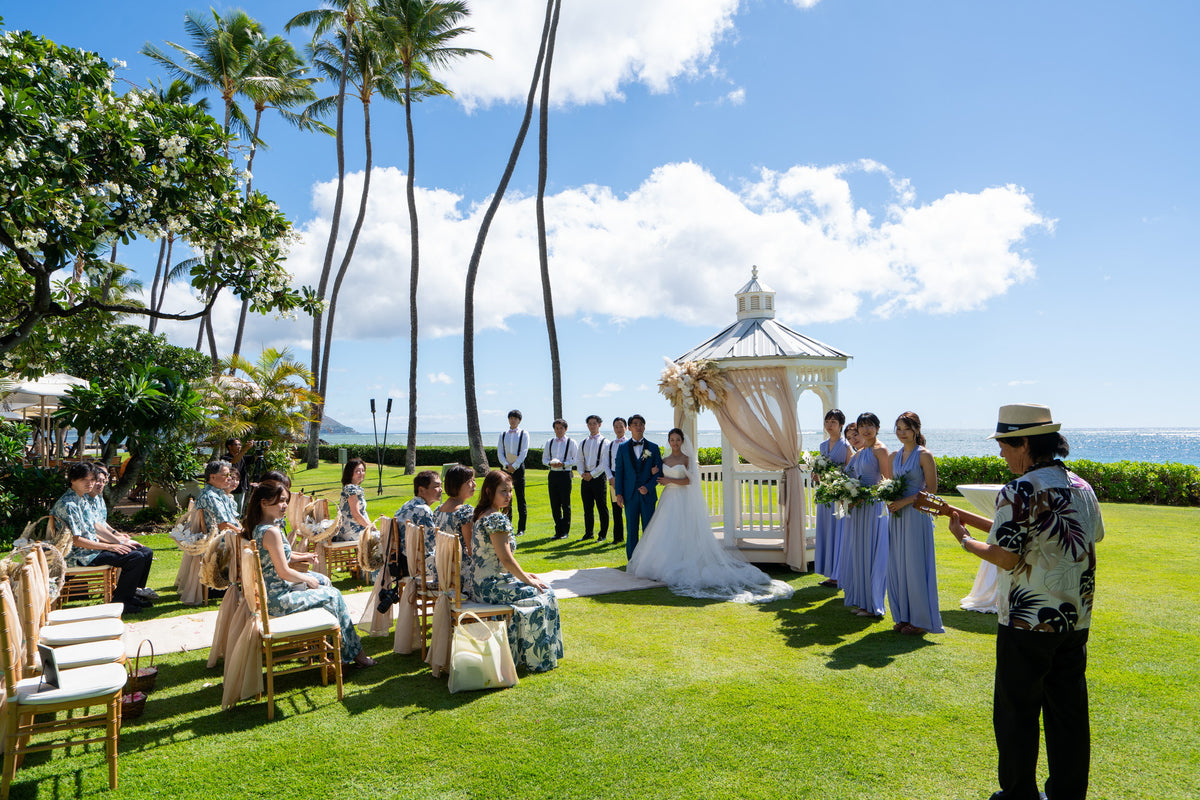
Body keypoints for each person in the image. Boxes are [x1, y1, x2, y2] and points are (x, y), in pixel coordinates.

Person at [949, 404, 1103, 800]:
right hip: (1075, 618)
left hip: (1026, 620)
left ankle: (1018, 794)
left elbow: (1006, 555)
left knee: (1016, 712)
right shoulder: (1082, 487)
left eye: (1004, 444)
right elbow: (1091, 536)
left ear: (1025, 444)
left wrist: (964, 541)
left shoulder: (1019, 490)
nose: (1000, 452)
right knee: (1067, 712)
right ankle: (1069, 793)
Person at [628, 429, 793, 603]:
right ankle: (659, 565)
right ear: (668, 442)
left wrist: (671, 481)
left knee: (684, 529)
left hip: (682, 499)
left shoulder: (687, 459)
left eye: (677, 440)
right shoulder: (663, 460)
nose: (675, 443)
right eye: (672, 440)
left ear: (682, 441)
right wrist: (655, 473)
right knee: (666, 531)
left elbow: (690, 481)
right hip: (667, 499)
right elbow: (659, 477)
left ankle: (684, 563)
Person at [243, 480, 375, 668]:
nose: (285, 505)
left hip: (275, 593)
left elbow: (282, 561)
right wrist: (308, 579)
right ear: (264, 503)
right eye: (281, 501)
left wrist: (307, 566)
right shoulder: (270, 532)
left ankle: (330, 645)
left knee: (325, 581)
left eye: (286, 500)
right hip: (278, 599)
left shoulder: (260, 527)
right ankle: (354, 653)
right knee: (334, 594)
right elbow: (284, 571)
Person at [468, 470, 563, 672]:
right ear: (489, 491)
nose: (508, 495)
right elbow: (506, 559)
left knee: (540, 588)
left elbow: (499, 561)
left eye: (510, 491)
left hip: (479, 585)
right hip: (491, 587)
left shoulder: (482, 514)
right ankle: (536, 658)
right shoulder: (496, 519)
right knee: (545, 593)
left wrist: (525, 576)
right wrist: (529, 582)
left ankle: (520, 651)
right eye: (503, 491)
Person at [51, 462, 154, 615]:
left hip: (91, 550)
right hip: (80, 554)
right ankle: (121, 602)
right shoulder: (69, 504)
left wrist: (119, 541)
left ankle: (128, 596)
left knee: (139, 553)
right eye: (85, 479)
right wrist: (110, 547)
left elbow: (96, 526)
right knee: (135, 558)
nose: (90, 483)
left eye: (92, 479)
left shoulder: (81, 499)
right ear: (72, 480)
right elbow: (76, 541)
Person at [884, 412, 944, 635]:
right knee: (898, 566)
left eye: (906, 429)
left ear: (916, 430)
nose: (901, 433)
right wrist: (890, 499)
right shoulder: (893, 456)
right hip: (897, 517)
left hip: (916, 516)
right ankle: (903, 616)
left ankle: (920, 621)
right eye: (898, 429)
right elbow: (891, 485)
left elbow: (932, 489)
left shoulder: (924, 455)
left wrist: (905, 501)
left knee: (915, 565)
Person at [840, 412, 892, 619]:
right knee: (859, 554)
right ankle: (863, 602)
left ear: (877, 428)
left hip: (873, 508)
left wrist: (863, 497)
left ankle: (874, 604)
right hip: (857, 509)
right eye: (862, 426)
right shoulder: (860, 452)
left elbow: (887, 482)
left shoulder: (880, 450)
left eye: (870, 426)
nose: (866, 430)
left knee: (872, 555)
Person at [89, 462, 158, 602]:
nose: (101, 483)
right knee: (136, 557)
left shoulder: (97, 499)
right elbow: (94, 529)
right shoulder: (83, 501)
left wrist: (118, 534)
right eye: (97, 479)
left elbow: (102, 524)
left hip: (99, 544)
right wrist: (119, 542)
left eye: (104, 479)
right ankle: (122, 599)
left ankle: (135, 592)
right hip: (91, 550)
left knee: (146, 552)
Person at [613, 414, 662, 560]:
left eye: (641, 424)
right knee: (631, 530)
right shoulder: (622, 448)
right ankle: (632, 562)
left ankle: (649, 561)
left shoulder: (653, 448)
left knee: (649, 530)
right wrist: (619, 493)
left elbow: (659, 472)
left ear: (644, 426)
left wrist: (648, 486)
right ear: (629, 428)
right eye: (635, 424)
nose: (638, 427)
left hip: (647, 496)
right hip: (629, 496)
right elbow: (619, 472)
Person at [814, 409, 852, 589]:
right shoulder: (822, 446)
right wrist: (817, 473)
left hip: (839, 496)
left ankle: (839, 574)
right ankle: (830, 573)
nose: (829, 425)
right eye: (827, 421)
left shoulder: (846, 446)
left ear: (841, 425)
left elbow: (850, 470)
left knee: (839, 533)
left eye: (833, 422)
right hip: (825, 496)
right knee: (826, 532)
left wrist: (837, 477)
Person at [434, 465, 477, 599]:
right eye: (469, 481)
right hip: (460, 575)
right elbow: (471, 549)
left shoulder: (438, 510)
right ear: (457, 485)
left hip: (442, 570)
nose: (474, 484)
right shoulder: (465, 512)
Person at [393, 470, 443, 580]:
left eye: (441, 486)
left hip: (403, 560)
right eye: (436, 486)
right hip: (416, 565)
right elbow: (431, 544)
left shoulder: (408, 504)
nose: (441, 490)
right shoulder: (423, 510)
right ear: (421, 490)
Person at [542, 418, 579, 540]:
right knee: (554, 504)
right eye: (556, 428)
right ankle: (558, 530)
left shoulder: (571, 442)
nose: (558, 431)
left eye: (561, 428)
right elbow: (544, 459)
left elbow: (575, 459)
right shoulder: (550, 442)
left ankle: (565, 531)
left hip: (565, 474)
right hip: (553, 474)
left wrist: (564, 464)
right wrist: (550, 464)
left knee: (565, 503)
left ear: (565, 429)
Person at [497, 409, 530, 535]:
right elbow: (500, 451)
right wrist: (505, 464)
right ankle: (507, 525)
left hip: (518, 468)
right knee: (505, 498)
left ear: (519, 420)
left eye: (515, 418)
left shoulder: (524, 434)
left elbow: (524, 452)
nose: (513, 420)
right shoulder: (503, 434)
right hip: (505, 468)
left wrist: (514, 466)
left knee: (521, 498)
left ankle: (521, 528)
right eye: (511, 418)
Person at [578, 414, 609, 541]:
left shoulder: (605, 442)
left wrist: (592, 474)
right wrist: (582, 473)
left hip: (598, 478)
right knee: (587, 508)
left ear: (599, 425)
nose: (592, 426)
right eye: (589, 424)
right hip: (585, 478)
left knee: (602, 507)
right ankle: (588, 533)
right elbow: (579, 459)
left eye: (594, 423)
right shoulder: (583, 442)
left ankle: (602, 534)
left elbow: (604, 462)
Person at [333, 457, 375, 543]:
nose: (361, 473)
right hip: (353, 531)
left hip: (353, 529)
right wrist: (371, 526)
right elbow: (356, 514)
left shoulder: (352, 488)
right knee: (383, 538)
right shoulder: (351, 489)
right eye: (357, 471)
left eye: (363, 470)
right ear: (350, 472)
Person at [606, 417, 630, 544]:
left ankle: (632, 538)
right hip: (614, 478)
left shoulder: (630, 443)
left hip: (627, 478)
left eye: (621, 426)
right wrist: (611, 478)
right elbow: (606, 463)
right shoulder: (610, 445)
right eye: (616, 426)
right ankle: (618, 538)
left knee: (630, 509)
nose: (619, 429)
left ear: (626, 428)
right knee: (616, 509)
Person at [222, 437, 250, 511]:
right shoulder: (225, 457)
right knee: (228, 511)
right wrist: (245, 450)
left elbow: (255, 458)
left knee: (238, 512)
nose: (239, 446)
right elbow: (233, 461)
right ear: (229, 446)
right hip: (230, 489)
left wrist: (264, 449)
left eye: (240, 444)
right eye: (237, 444)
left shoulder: (243, 457)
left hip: (241, 488)